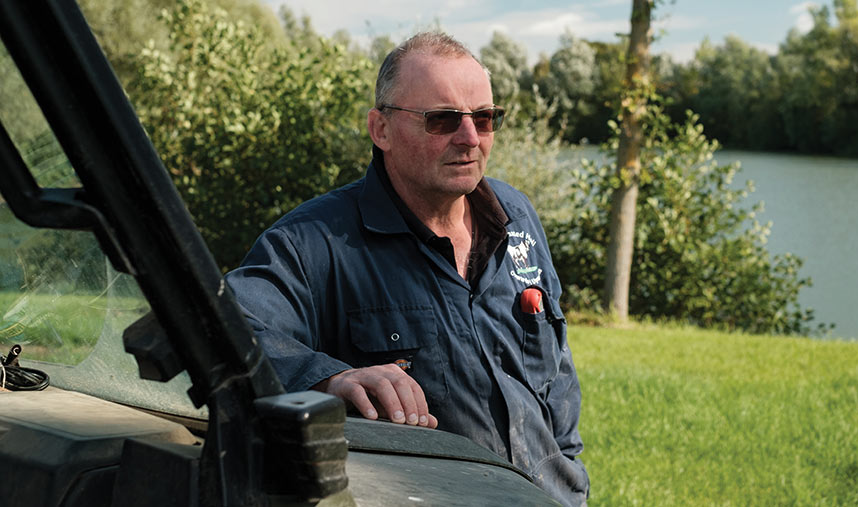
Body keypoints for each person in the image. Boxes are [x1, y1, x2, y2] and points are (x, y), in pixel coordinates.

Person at [225, 31, 589, 506]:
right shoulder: (313, 242)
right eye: (442, 120)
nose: (470, 137)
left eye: (485, 118)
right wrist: (327, 377)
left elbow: (556, 371)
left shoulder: (516, 215)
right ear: (381, 129)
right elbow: (228, 330)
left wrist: (571, 475)